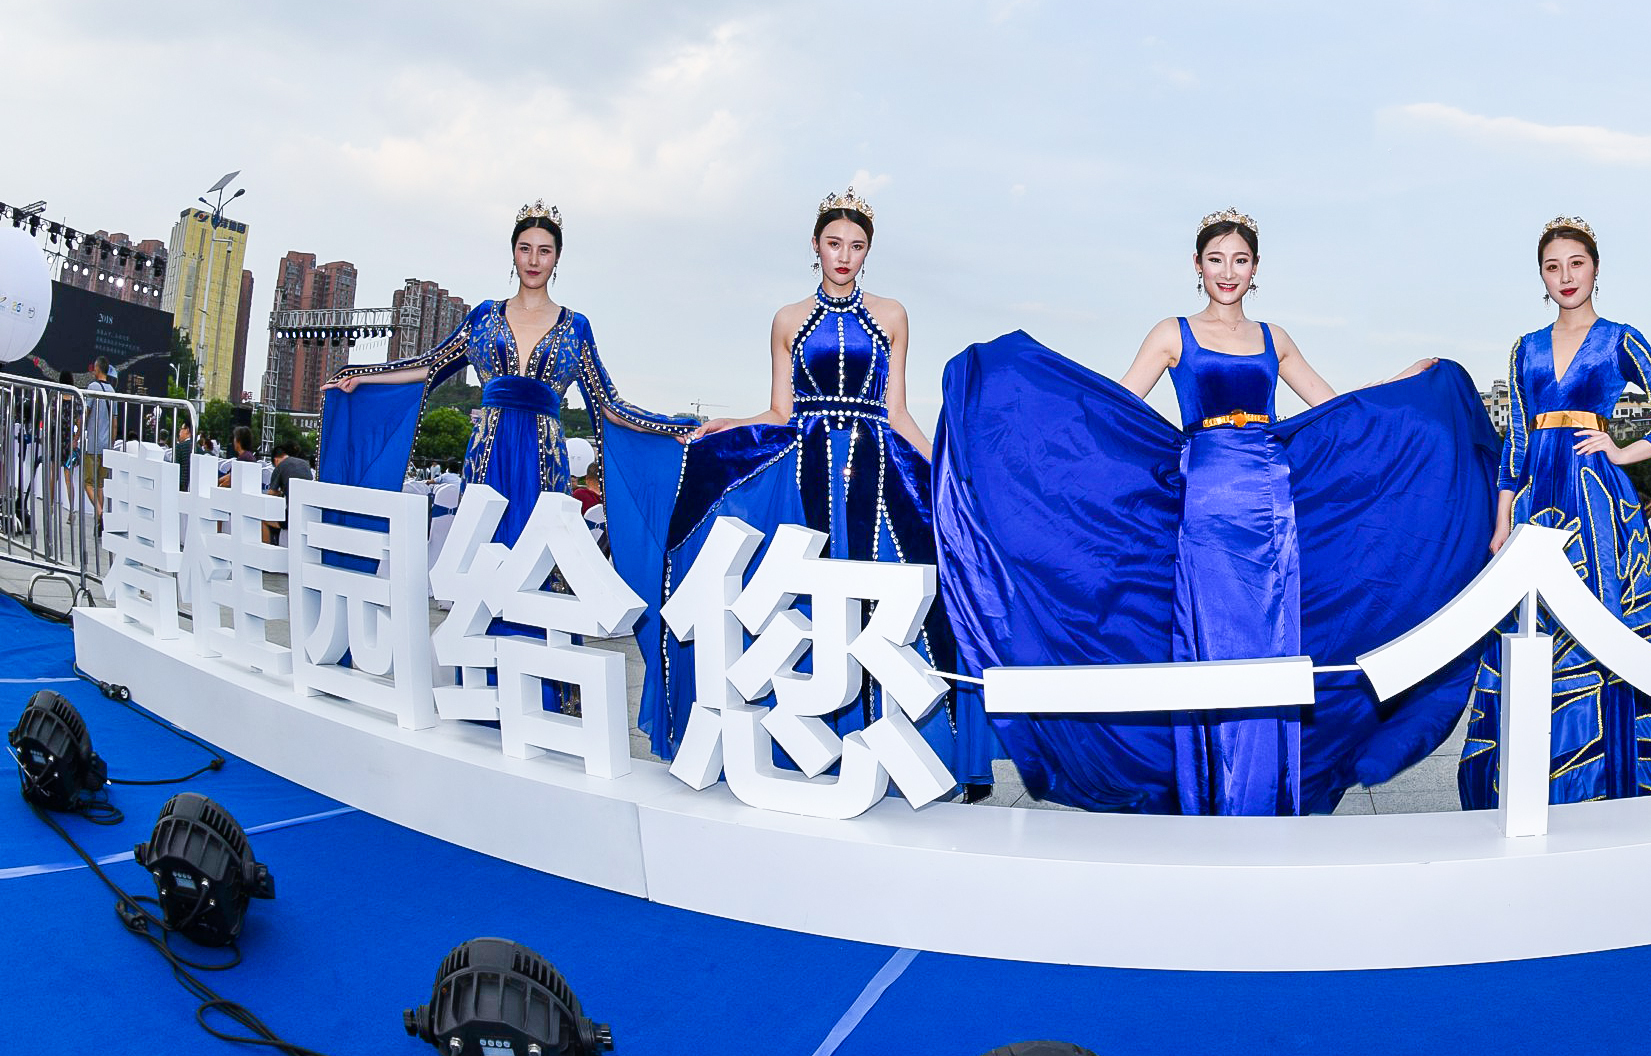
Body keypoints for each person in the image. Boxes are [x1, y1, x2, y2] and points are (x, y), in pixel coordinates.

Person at [934, 207, 1499, 816]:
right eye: (1216, 259)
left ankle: (1264, 788)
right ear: (1197, 266)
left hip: (1273, 502)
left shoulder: (1274, 338)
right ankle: (1215, 788)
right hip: (1206, 498)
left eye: (1240, 260)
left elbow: (1334, 408)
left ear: (1255, 269)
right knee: (1218, 638)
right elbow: (1116, 410)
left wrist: (1401, 384)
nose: (1228, 271)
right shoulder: (1171, 333)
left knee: (1270, 637)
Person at [657, 187, 990, 794]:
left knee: (888, 603)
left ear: (867, 252)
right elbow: (781, 411)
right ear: (815, 246)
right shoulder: (788, 319)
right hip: (807, 463)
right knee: (810, 600)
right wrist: (729, 425)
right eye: (834, 243)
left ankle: (897, 754)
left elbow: (897, 410)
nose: (844, 256)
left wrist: (944, 468)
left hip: (876, 470)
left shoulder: (891, 315)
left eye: (856, 246)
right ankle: (814, 747)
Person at [1459, 216, 1651, 806]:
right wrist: (1502, 519)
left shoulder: (1620, 339)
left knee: (1603, 627)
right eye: (1553, 267)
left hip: (1597, 503)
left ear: (1595, 269)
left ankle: (1607, 780)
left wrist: (1623, 449)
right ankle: (1537, 782)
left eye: (1576, 263)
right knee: (1535, 633)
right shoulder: (1525, 348)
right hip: (1537, 504)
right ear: (1541, 277)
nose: (1566, 276)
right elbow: (1516, 439)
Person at [328, 201, 693, 542]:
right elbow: (429, 366)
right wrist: (362, 377)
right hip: (488, 452)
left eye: (544, 251)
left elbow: (609, 406)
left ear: (557, 257)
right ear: (513, 253)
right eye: (525, 248)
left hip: (544, 458)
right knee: (480, 549)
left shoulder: (575, 327)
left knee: (537, 553)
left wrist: (673, 430)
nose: (533, 260)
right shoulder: (484, 317)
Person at [79, 357, 113, 516]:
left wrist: (77, 435)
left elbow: (85, 413)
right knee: (100, 485)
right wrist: (111, 444)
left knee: (88, 483)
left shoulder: (93, 387)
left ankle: (100, 514)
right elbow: (114, 422)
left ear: (98, 368)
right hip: (106, 446)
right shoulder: (112, 391)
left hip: (93, 443)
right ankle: (100, 521)